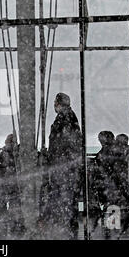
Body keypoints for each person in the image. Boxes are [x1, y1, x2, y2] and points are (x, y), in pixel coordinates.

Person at [39, 93, 82, 239]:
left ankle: (66, 233)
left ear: (58, 103)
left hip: (64, 169)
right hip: (64, 169)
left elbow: (66, 143)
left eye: (55, 102)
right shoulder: (68, 117)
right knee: (66, 203)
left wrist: (55, 157)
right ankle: (67, 231)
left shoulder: (66, 118)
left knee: (65, 203)